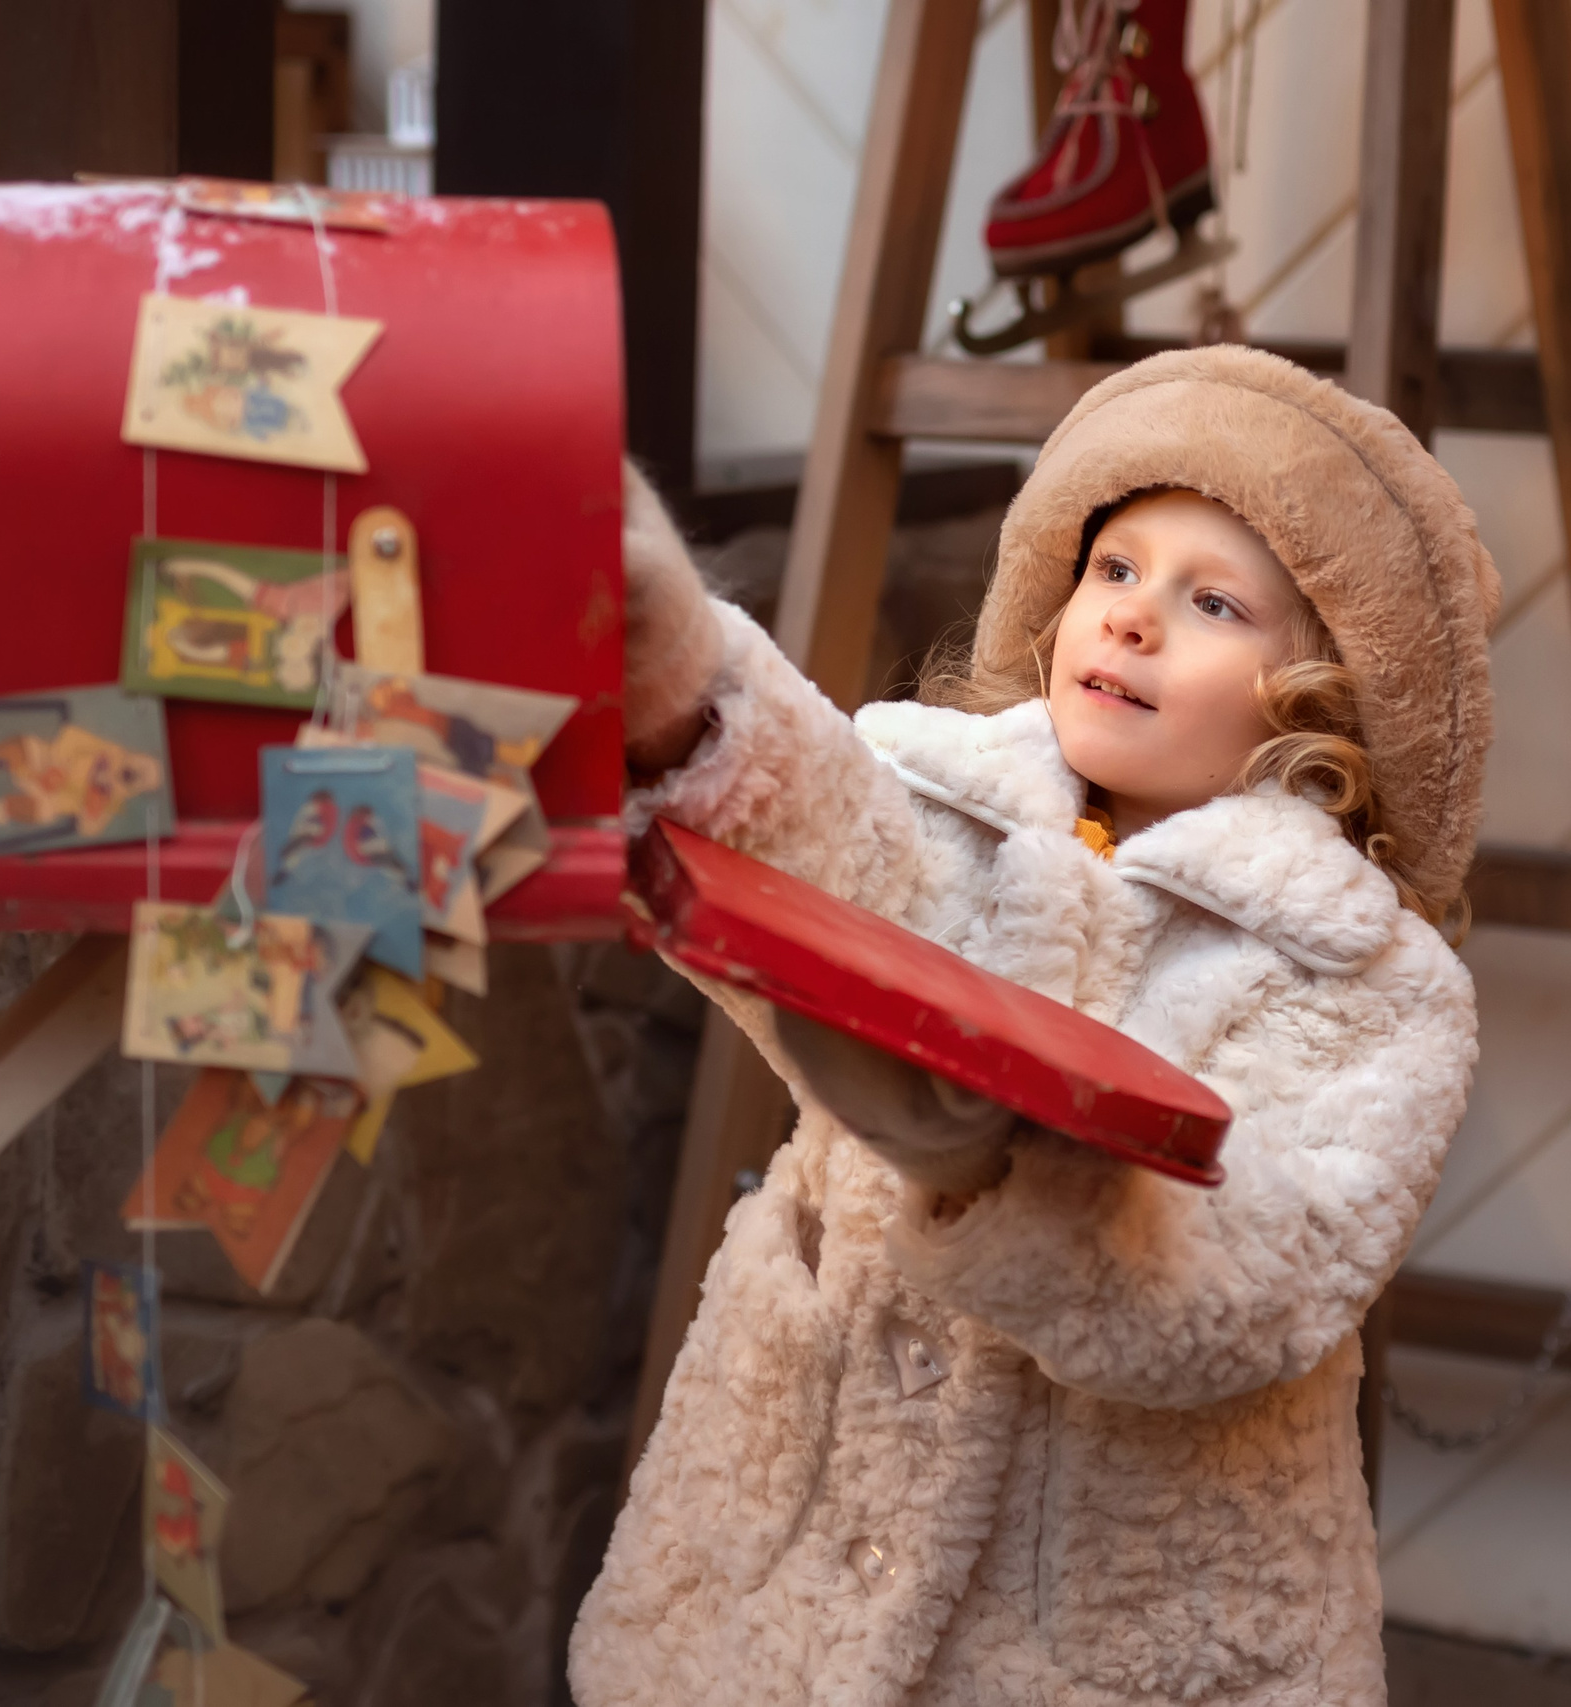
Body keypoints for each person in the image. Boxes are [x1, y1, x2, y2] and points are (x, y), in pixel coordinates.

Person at [570, 346, 1498, 1707]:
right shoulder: (933, 797)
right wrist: (675, 687)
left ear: (1323, 704)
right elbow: (826, 846)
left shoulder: (1366, 981)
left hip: (1107, 1640)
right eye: (1114, 569)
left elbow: (1259, 1276)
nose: (1130, 618)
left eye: (1214, 602)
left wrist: (1003, 1167)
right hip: (783, 1571)